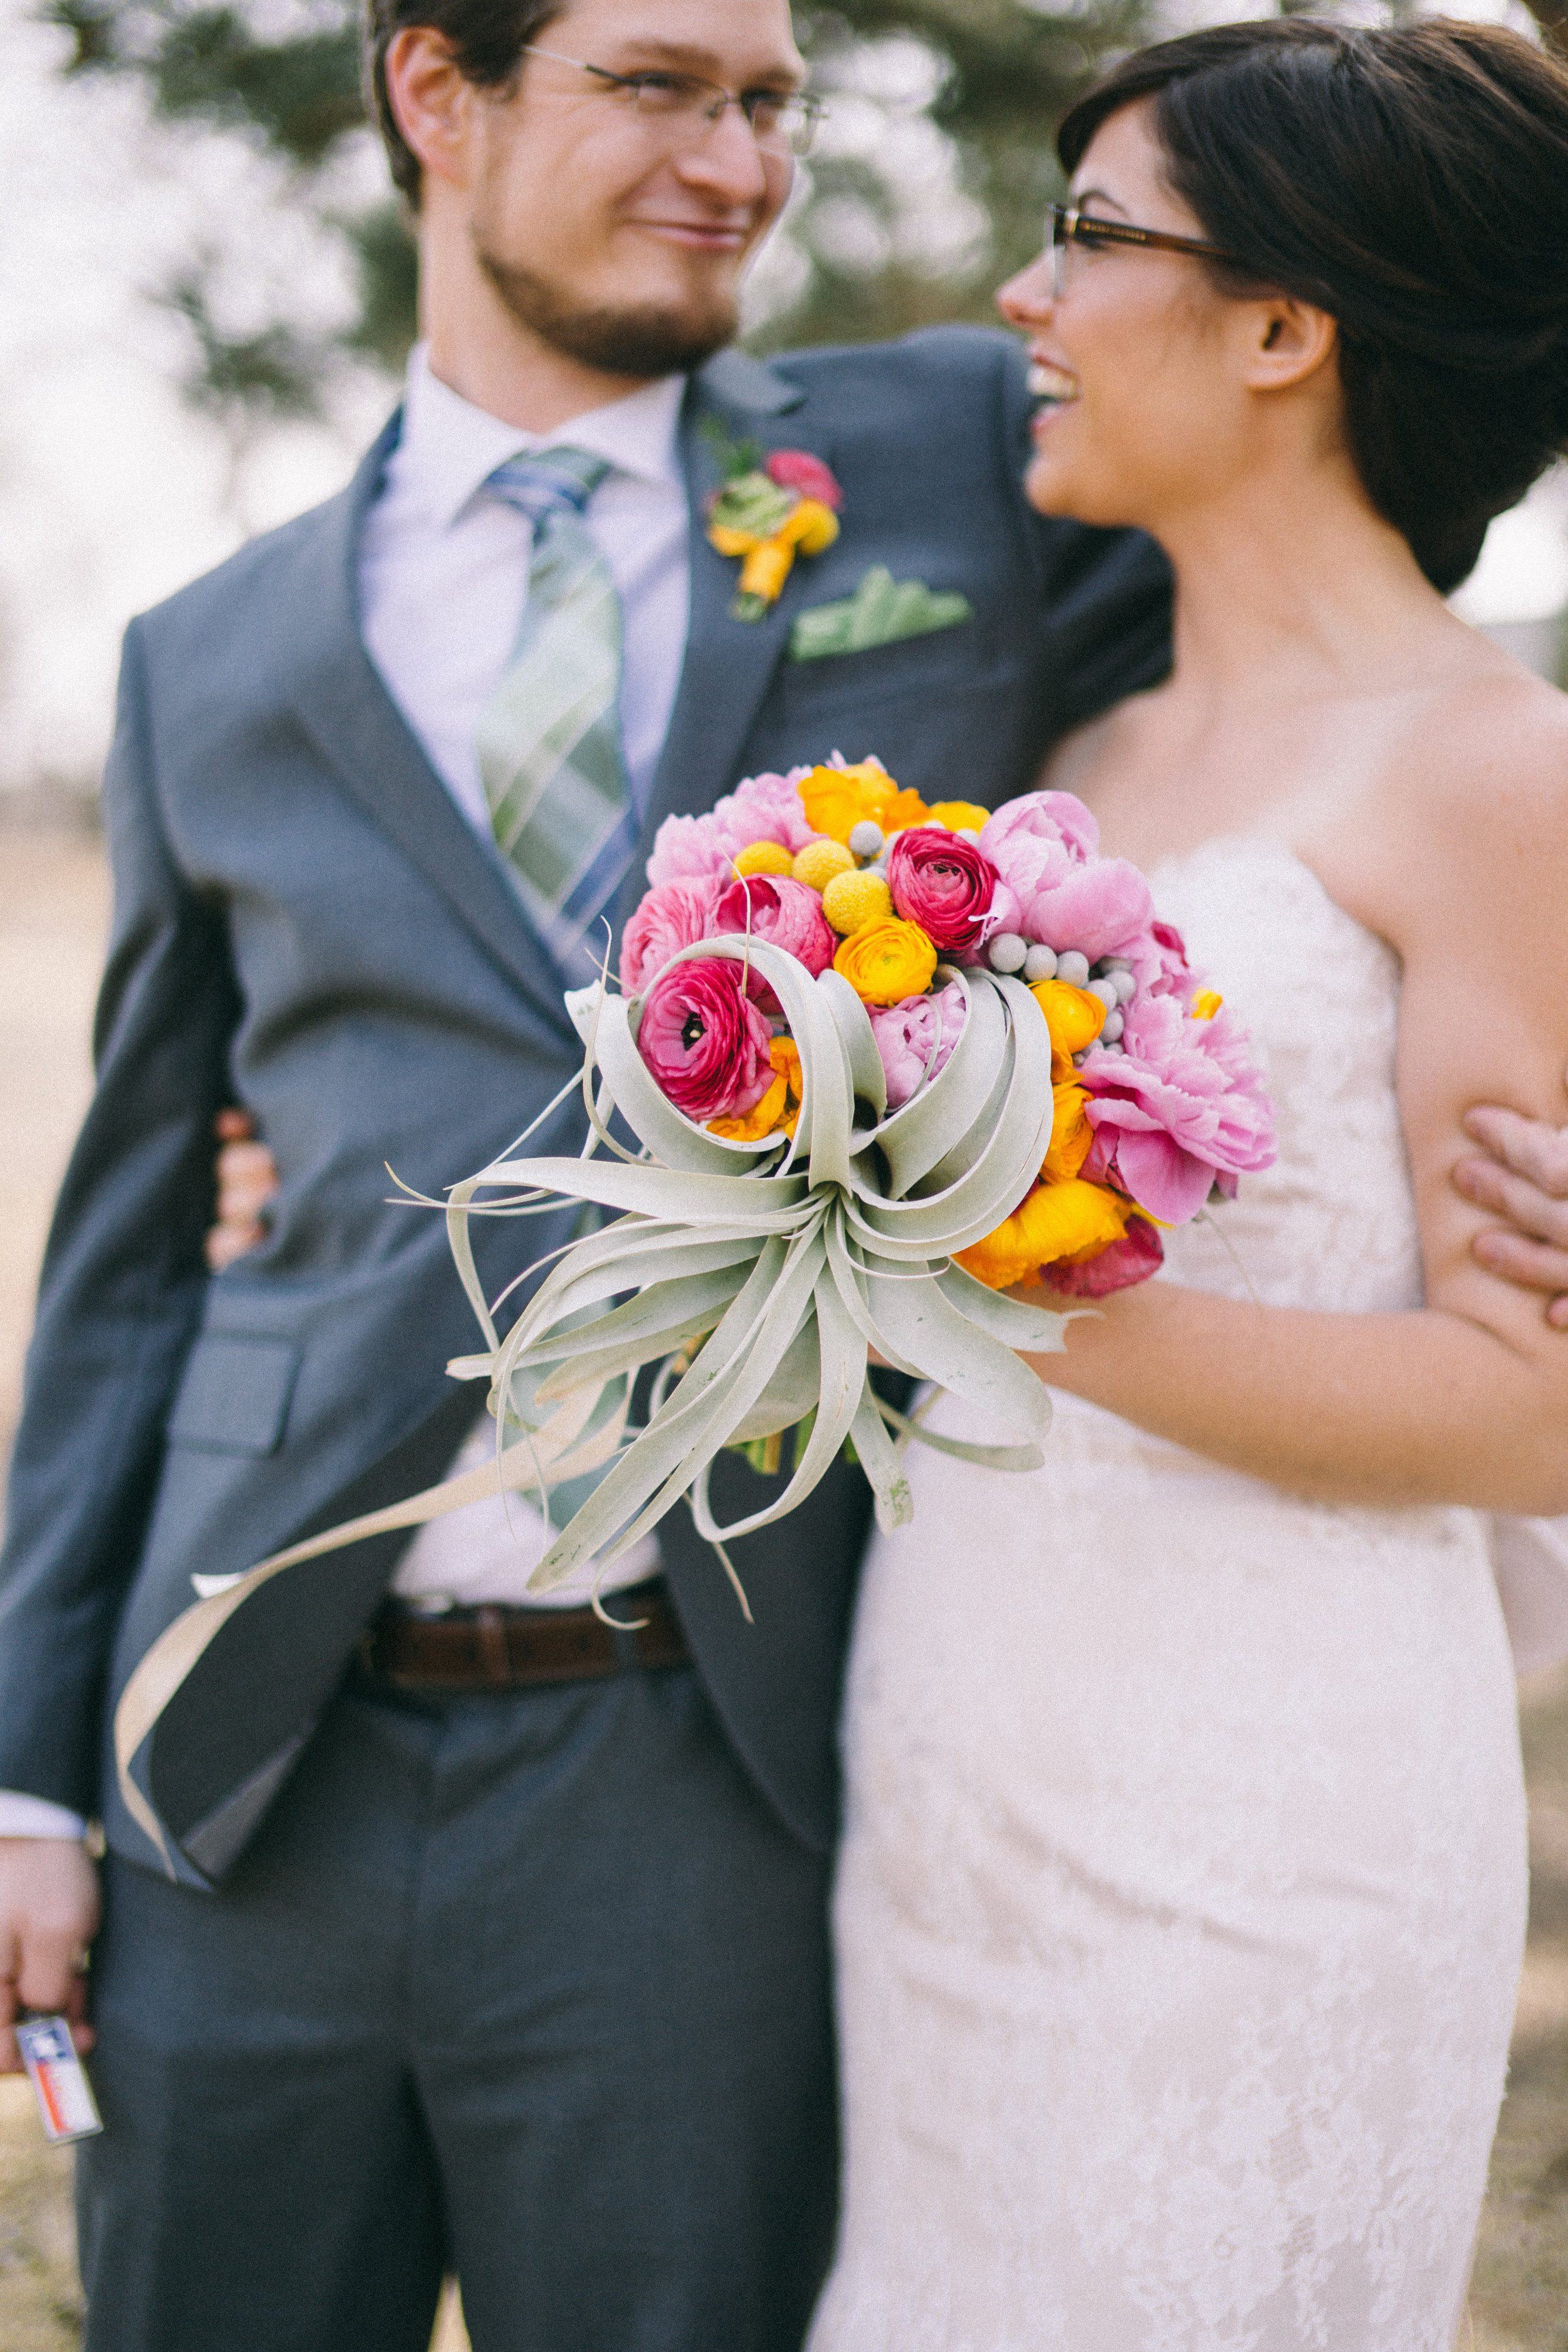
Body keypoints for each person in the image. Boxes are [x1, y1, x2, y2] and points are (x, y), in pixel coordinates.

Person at [0, 3, 1180, 2347]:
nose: (737, 162)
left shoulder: (952, 444)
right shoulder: (200, 662)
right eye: (656, 86)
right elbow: (129, 1249)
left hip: (708, 1744)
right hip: (243, 1748)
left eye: (769, 102)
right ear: (438, 93)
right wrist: (31, 1778)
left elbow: (1325, 561)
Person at [807, 20, 1568, 2352]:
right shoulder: (1057, 753)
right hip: (948, 1761)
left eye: (1089, 239)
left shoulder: (1495, 772)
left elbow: (1530, 1411)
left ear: (1280, 326)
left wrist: (975, 1274)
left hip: (1272, 1814)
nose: (1021, 304)